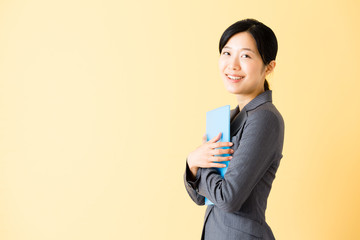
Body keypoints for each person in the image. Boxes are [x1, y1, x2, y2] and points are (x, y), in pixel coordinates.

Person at [184, 19, 285, 240]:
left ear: (269, 67)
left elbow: (227, 198)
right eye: (227, 53)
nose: (233, 65)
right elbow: (202, 198)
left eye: (246, 56)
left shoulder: (265, 117)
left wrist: (200, 164)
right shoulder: (227, 117)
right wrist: (193, 165)